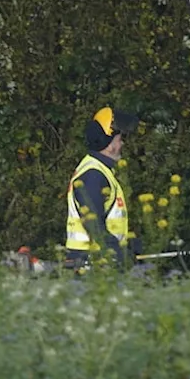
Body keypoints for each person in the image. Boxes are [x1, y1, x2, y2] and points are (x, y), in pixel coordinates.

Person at [64, 106, 140, 271]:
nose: (122, 144)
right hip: (92, 264)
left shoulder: (101, 171)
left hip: (101, 261)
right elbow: (93, 223)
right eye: (120, 139)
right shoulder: (93, 175)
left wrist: (127, 245)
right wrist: (119, 254)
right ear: (109, 143)